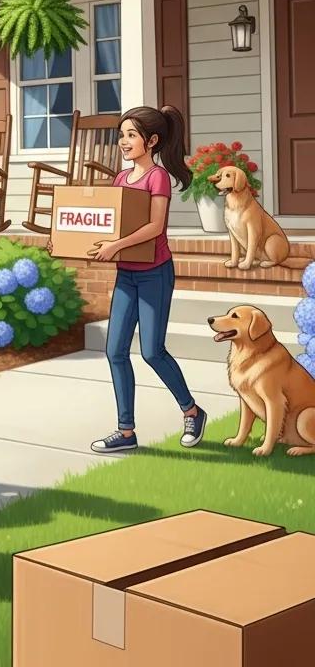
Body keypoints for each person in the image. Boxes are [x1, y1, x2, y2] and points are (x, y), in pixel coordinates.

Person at [87, 105, 207, 454]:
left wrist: (116, 246)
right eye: (121, 135)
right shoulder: (120, 179)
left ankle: (192, 411)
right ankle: (126, 431)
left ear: (151, 141)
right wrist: (69, 242)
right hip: (127, 275)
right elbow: (109, 225)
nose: (123, 141)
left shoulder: (158, 177)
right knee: (115, 351)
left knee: (153, 352)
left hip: (155, 274)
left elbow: (155, 227)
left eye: (131, 135)